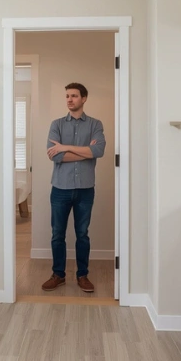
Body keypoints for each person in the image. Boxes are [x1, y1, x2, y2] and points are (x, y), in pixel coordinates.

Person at [42, 82, 106, 293]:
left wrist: (66, 147)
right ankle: (58, 274)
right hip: (60, 188)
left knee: (82, 234)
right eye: (67, 96)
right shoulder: (57, 124)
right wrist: (83, 151)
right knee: (57, 234)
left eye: (74, 96)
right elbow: (55, 155)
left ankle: (82, 275)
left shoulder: (95, 124)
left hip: (86, 189)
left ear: (84, 98)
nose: (69, 99)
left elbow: (98, 151)